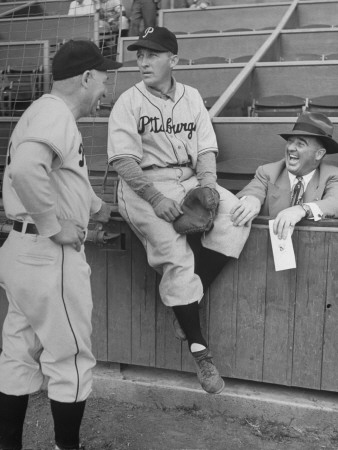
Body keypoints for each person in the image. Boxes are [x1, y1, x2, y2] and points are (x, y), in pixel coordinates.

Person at [107, 26, 250, 394]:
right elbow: (124, 162)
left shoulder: (192, 96)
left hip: (188, 177)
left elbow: (205, 150)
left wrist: (207, 185)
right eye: (139, 55)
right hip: (143, 186)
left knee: (235, 217)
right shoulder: (129, 101)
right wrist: (156, 199)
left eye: (152, 54)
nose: (143, 61)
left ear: (173, 60)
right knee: (176, 254)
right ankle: (200, 351)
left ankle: (189, 301)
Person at [0, 40, 122, 450]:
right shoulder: (57, 114)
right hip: (49, 255)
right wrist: (54, 227)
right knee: (69, 359)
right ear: (86, 77)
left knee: (18, 355)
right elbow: (26, 169)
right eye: (104, 79)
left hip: (20, 251)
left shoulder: (42, 110)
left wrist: (102, 208)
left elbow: (61, 178)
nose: (106, 89)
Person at [231, 112, 338, 238]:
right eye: (290, 142)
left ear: (319, 154)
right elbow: (253, 192)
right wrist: (251, 199)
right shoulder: (267, 172)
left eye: (300, 144)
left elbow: (334, 202)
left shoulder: (332, 175)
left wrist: (302, 209)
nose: (291, 148)